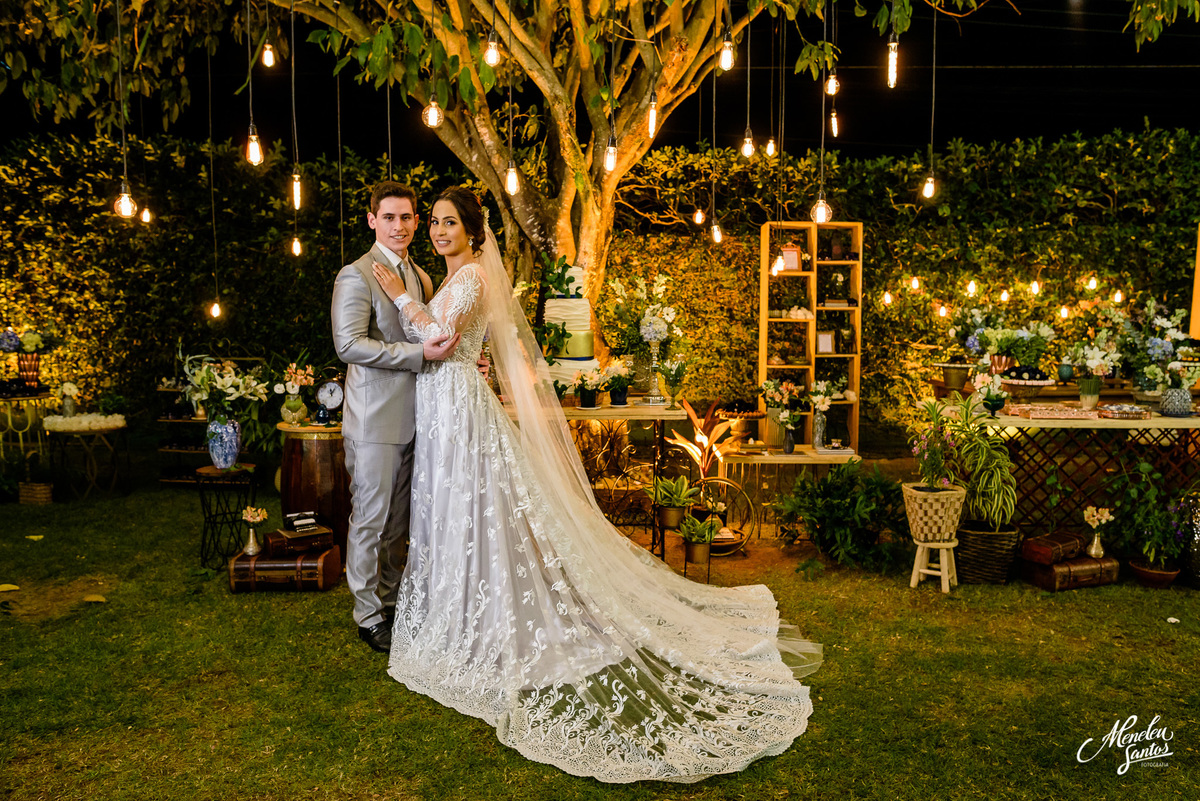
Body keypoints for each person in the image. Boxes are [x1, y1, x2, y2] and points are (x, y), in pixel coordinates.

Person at [372, 186, 822, 783]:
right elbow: (448, 345)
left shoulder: (473, 276)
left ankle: (488, 617)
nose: (437, 230)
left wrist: (402, 297)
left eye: (448, 223)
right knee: (456, 510)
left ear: (474, 231)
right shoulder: (442, 278)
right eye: (434, 222)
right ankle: (459, 610)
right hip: (441, 406)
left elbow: (439, 340)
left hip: (458, 409)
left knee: (479, 506)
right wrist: (422, 305)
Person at [331, 181, 459, 654]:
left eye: (407, 218)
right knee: (371, 518)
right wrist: (418, 353)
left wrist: (459, 358)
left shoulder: (421, 277)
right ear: (372, 220)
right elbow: (348, 345)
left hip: (422, 417)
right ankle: (367, 616)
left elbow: (435, 338)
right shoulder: (356, 275)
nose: (399, 226)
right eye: (389, 217)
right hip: (375, 420)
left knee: (400, 523)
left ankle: (388, 603)